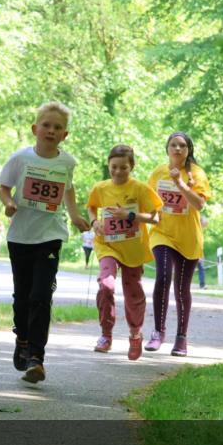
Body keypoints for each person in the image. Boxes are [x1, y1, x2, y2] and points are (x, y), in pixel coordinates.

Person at [0, 101, 90, 383]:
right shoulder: (20, 158)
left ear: (65, 135)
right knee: (22, 296)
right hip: (20, 236)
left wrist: (74, 214)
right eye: (46, 125)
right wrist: (9, 203)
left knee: (41, 295)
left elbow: (68, 188)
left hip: (50, 236)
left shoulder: (67, 162)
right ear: (35, 129)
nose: (51, 130)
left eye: (58, 127)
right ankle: (22, 340)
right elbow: (3, 188)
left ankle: (37, 357)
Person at [87, 144, 162, 360]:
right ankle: (106, 335)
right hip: (107, 244)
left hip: (133, 248)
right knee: (106, 285)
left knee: (133, 293)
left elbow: (155, 218)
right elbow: (91, 206)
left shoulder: (140, 189)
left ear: (132, 167)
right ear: (108, 165)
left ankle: (135, 334)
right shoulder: (100, 188)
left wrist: (129, 216)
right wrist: (94, 222)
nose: (118, 172)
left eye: (123, 168)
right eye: (114, 167)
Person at [143, 131, 211, 357]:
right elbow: (148, 202)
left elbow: (199, 205)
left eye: (182, 146)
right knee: (163, 276)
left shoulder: (197, 174)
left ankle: (181, 338)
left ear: (188, 150)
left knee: (182, 288)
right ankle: (158, 332)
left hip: (188, 237)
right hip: (162, 233)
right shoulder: (158, 172)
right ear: (167, 149)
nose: (178, 149)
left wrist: (180, 183)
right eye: (174, 145)